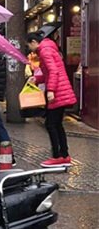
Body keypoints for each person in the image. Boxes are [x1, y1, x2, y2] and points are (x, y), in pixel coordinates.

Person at [26, 32, 76, 167]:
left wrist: (51, 90)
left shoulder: (44, 51)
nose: (30, 49)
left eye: (29, 45)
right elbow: (49, 73)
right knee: (56, 124)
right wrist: (37, 79)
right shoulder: (49, 48)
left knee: (51, 124)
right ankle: (64, 155)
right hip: (61, 91)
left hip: (58, 92)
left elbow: (54, 71)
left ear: (33, 42)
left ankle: (58, 156)